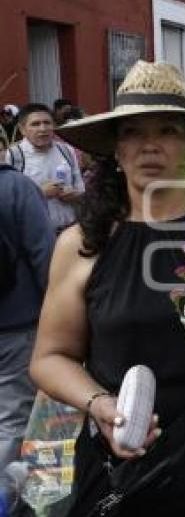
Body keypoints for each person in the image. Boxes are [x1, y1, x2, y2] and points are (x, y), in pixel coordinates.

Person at [29, 61, 185, 515]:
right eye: (132, 132)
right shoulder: (83, 245)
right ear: (116, 149)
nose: (149, 145)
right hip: (122, 459)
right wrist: (100, 405)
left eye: (167, 130)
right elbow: (49, 358)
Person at [0, 134, 55, 501]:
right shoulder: (16, 187)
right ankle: (7, 498)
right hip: (17, 322)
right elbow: (45, 258)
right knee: (13, 416)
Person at [6, 103, 85, 233]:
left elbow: (82, 191)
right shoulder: (13, 156)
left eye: (47, 123)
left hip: (70, 230)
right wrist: (39, 194)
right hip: (34, 236)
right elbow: (8, 203)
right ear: (22, 129)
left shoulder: (67, 150)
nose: (43, 128)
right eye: (35, 124)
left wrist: (75, 195)